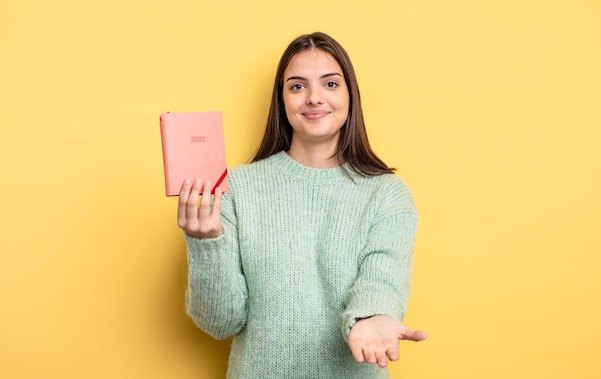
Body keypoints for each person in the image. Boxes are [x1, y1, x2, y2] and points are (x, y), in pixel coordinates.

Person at [177, 31, 427, 378]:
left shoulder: (386, 194)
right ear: (281, 101)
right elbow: (221, 323)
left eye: (330, 84)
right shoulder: (234, 188)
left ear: (350, 96)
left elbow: (381, 277)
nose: (313, 98)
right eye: (297, 86)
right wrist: (207, 243)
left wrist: (372, 316)